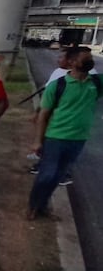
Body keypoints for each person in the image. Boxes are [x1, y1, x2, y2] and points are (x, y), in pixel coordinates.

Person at [28, 47, 101, 220]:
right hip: (55, 138)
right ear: (72, 62)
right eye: (85, 58)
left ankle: (43, 207)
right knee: (46, 175)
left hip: (78, 140)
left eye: (90, 58)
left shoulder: (96, 83)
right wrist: (38, 141)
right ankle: (33, 206)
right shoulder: (58, 85)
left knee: (58, 176)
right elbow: (43, 115)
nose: (89, 61)